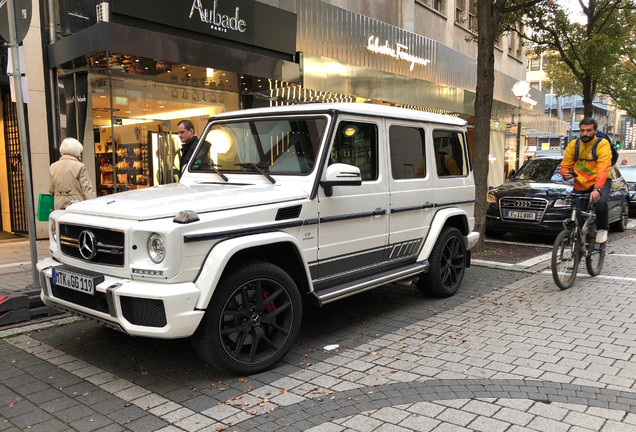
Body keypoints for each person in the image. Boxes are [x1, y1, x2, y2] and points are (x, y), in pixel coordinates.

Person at [560, 117, 612, 244]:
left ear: (595, 131)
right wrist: (565, 174)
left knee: (600, 203)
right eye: (582, 131)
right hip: (580, 184)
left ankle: (602, 229)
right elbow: (565, 165)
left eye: (589, 130)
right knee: (577, 215)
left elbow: (603, 168)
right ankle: (577, 247)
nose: (585, 134)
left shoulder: (602, 144)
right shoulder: (574, 145)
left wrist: (597, 188)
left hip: (600, 181)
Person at [49, 137, 96, 210]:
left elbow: (51, 189)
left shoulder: (53, 166)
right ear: (76, 152)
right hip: (76, 204)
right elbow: (87, 190)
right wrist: (93, 205)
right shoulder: (80, 166)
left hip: (58, 205)